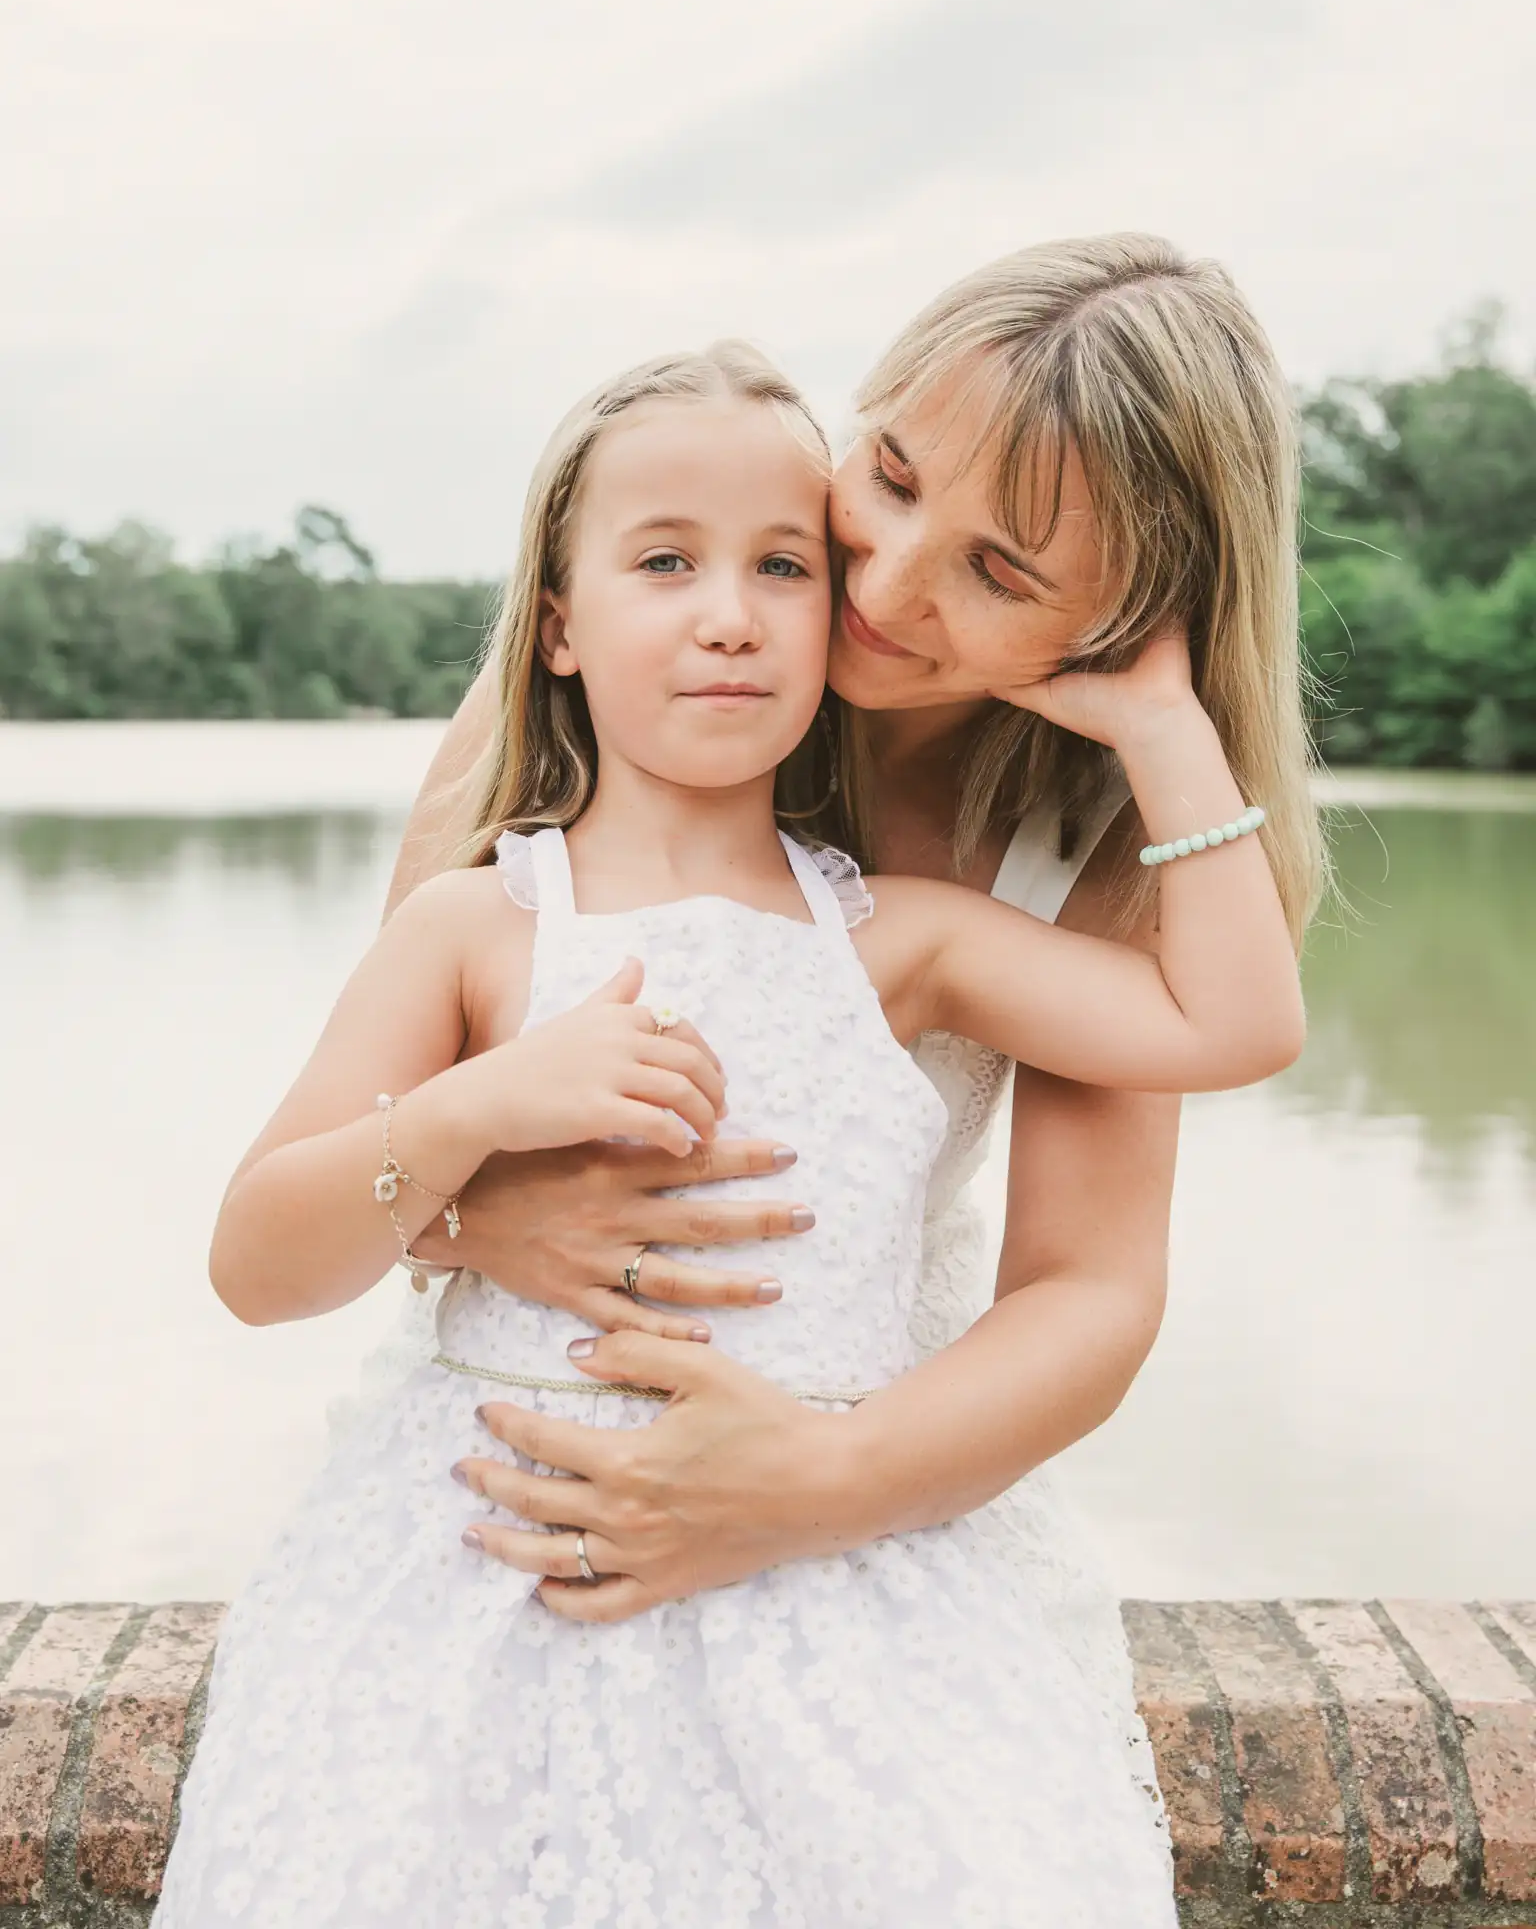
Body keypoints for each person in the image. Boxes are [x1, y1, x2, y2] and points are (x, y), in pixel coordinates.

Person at [155, 335, 1303, 1925]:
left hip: (832, 1559)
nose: (752, 607)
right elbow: (261, 1259)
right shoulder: (477, 924)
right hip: (480, 1551)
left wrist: (1166, 722)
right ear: (557, 626)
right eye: (879, 493)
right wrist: (476, 1126)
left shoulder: (904, 938)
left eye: (781, 568)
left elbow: (1237, 1027)